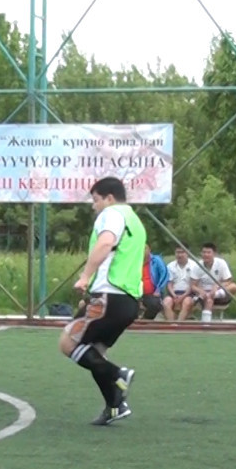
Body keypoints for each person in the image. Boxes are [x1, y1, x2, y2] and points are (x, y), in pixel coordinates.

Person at [58, 176, 144, 426]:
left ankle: (118, 374)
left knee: (67, 343)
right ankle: (115, 406)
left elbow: (106, 242)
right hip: (128, 301)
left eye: (96, 200)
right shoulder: (135, 221)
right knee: (94, 352)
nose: (93, 206)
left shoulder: (112, 214)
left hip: (109, 295)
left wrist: (85, 277)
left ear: (109, 198)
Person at [188, 242, 236, 322]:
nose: (206, 255)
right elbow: (193, 285)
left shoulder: (221, 263)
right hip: (204, 294)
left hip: (219, 292)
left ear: (214, 254)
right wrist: (200, 291)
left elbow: (228, 280)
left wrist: (217, 286)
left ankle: (215, 295)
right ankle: (206, 323)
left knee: (234, 286)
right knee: (209, 300)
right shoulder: (198, 265)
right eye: (204, 252)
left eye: (208, 252)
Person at [160, 246, 194, 321]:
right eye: (178, 252)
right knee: (166, 303)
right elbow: (169, 283)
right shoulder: (170, 266)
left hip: (188, 293)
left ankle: (179, 323)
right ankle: (172, 324)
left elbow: (193, 284)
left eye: (182, 252)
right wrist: (174, 295)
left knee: (187, 303)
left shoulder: (194, 265)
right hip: (173, 293)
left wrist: (183, 296)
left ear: (187, 253)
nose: (180, 255)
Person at [139, 244, 169, 320]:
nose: (143, 251)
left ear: (149, 250)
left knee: (155, 305)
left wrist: (158, 290)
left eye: (145, 248)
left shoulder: (156, 260)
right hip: (136, 293)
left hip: (152, 293)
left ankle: (144, 321)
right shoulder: (135, 261)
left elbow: (164, 274)